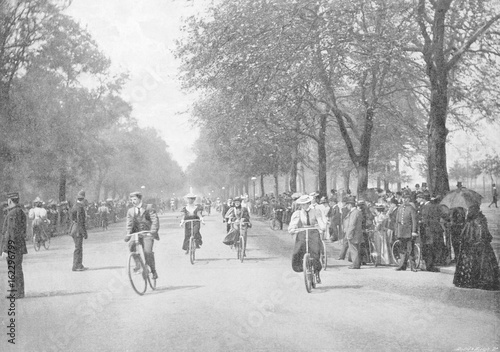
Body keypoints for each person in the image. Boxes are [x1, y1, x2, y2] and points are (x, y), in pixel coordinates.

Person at [453, 204, 500, 290]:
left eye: (470, 210)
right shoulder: (475, 220)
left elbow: (479, 233)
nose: (468, 212)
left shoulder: (475, 220)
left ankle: (478, 280)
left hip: (477, 245)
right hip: (476, 245)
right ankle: (478, 280)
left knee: (480, 262)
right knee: (480, 262)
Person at [288, 195, 326, 283]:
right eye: (301, 204)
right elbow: (294, 223)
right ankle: (303, 266)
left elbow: (320, 221)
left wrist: (322, 227)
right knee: (298, 248)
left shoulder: (316, 211)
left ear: (309, 203)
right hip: (303, 231)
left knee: (315, 251)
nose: (303, 206)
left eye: (305, 204)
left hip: (313, 231)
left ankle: (316, 272)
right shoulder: (298, 213)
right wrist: (292, 229)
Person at [125, 191, 160, 279]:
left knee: (147, 252)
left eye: (135, 199)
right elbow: (129, 223)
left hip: (148, 233)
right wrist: (128, 233)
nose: (133, 201)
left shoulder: (149, 207)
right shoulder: (130, 211)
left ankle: (153, 270)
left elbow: (155, 220)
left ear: (140, 199)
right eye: (131, 199)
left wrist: (153, 230)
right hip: (137, 233)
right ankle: (138, 264)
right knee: (131, 245)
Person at [1, 192, 27, 299]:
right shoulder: (20, 212)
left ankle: (17, 292)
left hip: (13, 245)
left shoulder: (12, 213)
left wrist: (6, 248)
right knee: (17, 268)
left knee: (14, 269)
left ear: (10, 201)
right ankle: (17, 291)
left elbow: (10, 232)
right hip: (19, 244)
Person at [395, 191, 418, 272]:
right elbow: (397, 221)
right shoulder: (399, 208)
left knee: (410, 249)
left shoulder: (411, 208)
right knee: (402, 249)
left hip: (409, 231)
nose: (405, 200)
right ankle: (402, 265)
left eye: (407, 199)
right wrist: (396, 231)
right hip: (401, 231)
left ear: (409, 199)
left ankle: (413, 266)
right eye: (404, 198)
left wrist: (414, 231)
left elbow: (414, 220)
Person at [419, 192, 441, 272]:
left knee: (428, 248)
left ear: (424, 199)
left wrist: (420, 222)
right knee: (433, 247)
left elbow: (424, 219)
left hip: (427, 230)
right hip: (435, 230)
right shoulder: (435, 206)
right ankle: (431, 265)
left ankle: (429, 266)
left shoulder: (426, 207)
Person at [342, 196, 363, 269]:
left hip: (353, 234)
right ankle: (356, 263)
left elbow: (352, 224)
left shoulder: (354, 213)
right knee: (356, 249)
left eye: (347, 205)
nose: (347, 206)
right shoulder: (357, 212)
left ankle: (355, 264)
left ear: (350, 205)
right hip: (357, 233)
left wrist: (349, 234)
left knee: (353, 249)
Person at [70, 190, 88, 271]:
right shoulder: (80, 208)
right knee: (78, 248)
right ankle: (76, 265)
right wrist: (84, 232)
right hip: (78, 229)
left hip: (73, 228)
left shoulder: (74, 206)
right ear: (83, 199)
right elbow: (81, 221)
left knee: (78, 247)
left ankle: (78, 264)